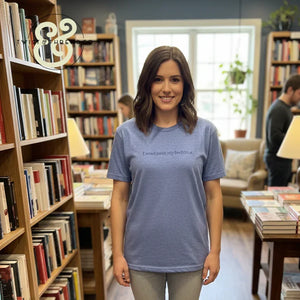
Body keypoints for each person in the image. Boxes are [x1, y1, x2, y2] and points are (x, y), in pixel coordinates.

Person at [107, 46, 225, 300]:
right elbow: (119, 198)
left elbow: (214, 196)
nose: (166, 88)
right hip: (140, 253)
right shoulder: (126, 134)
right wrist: (117, 254)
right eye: (158, 79)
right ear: (147, 84)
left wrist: (214, 251)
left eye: (175, 79)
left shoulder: (206, 133)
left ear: (185, 85)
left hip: (190, 252)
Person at [264, 74, 300, 187]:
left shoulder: (285, 108)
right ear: (290, 90)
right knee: (276, 195)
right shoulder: (279, 109)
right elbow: (274, 136)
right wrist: (294, 140)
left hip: (281, 161)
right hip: (277, 161)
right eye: (299, 93)